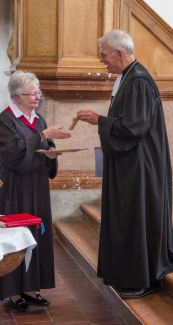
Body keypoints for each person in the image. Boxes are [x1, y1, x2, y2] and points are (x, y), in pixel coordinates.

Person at [77, 29, 173, 299]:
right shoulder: (127, 77)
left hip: (140, 168)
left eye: (104, 55)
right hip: (130, 163)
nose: (101, 60)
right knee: (128, 220)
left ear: (119, 54)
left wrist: (100, 121)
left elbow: (135, 128)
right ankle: (127, 274)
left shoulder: (139, 81)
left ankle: (145, 279)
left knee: (137, 220)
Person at [0, 70, 71, 311]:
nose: (38, 97)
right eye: (33, 94)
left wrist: (51, 153)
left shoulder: (38, 120)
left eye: (39, 93)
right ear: (18, 97)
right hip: (15, 189)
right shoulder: (5, 120)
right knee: (16, 238)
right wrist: (43, 136)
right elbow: (13, 154)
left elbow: (43, 145)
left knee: (36, 234)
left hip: (37, 186)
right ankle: (13, 292)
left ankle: (30, 288)